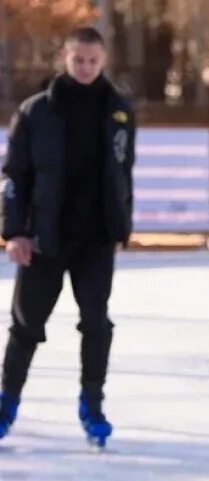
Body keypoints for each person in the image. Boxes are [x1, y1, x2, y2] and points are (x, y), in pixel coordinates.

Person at [0, 26, 135, 447]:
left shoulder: (119, 110)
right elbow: (14, 175)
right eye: (78, 59)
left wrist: (120, 225)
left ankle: (92, 405)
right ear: (65, 56)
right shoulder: (36, 111)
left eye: (93, 60)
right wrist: (15, 232)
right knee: (26, 326)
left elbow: (122, 173)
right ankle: (6, 404)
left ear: (104, 60)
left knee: (96, 323)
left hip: (95, 241)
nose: (85, 67)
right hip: (44, 239)